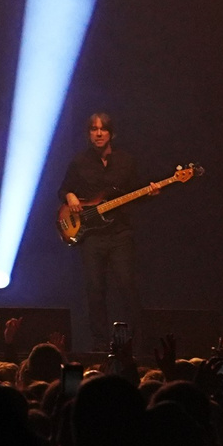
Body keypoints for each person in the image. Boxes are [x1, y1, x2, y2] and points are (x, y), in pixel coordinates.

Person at [58, 111, 141, 358]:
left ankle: (136, 345)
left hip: (119, 233)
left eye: (102, 129)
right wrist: (69, 196)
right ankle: (100, 345)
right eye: (93, 129)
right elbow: (63, 189)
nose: (98, 133)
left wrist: (151, 191)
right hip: (92, 236)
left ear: (111, 133)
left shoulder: (126, 161)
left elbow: (137, 192)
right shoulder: (79, 162)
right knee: (95, 290)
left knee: (128, 288)